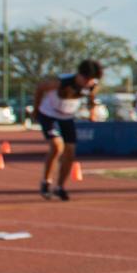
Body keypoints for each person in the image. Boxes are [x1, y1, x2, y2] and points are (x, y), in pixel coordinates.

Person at [34, 59, 102, 201]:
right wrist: (36, 110)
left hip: (67, 117)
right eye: (86, 79)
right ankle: (46, 182)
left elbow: (92, 97)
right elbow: (40, 88)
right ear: (79, 75)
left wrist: (92, 112)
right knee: (57, 146)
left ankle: (60, 187)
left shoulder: (92, 85)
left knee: (70, 151)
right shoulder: (61, 82)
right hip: (49, 114)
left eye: (92, 79)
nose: (88, 82)